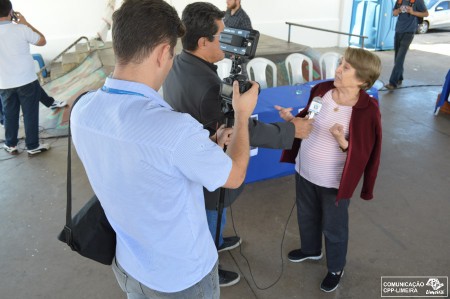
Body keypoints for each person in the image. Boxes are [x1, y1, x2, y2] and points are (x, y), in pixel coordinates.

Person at [70, 0, 259, 298]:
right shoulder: (175, 130)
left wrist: (206, 145)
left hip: (129, 266)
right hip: (182, 278)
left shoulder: (82, 110)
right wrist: (243, 115)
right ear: (162, 53)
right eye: (172, 53)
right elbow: (234, 176)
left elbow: (139, 158)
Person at [163, 1, 313, 288]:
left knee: (213, 215)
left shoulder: (181, 62)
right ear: (204, 41)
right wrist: (290, 130)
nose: (229, 39)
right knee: (207, 215)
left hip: (191, 158)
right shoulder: (206, 84)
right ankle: (209, 267)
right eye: (224, 35)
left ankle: (218, 239)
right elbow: (240, 129)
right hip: (206, 170)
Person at [277, 47, 382, 293]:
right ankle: (311, 250)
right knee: (306, 214)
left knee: (334, 228)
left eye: (346, 67)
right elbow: (308, 119)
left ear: (363, 80)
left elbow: (367, 151)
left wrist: (343, 142)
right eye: (340, 63)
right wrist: (291, 120)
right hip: (305, 170)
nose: (338, 69)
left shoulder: (367, 109)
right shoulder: (322, 91)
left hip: (334, 182)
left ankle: (335, 267)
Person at [0, 0, 54, 155]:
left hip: (4, 83)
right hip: (26, 81)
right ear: (11, 12)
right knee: (30, 113)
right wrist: (25, 22)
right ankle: (32, 146)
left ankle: (11, 144)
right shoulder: (21, 29)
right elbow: (42, 40)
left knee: (9, 114)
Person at [385, 0, 428, 90]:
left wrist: (412, 12)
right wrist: (399, 11)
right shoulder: (399, 1)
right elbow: (394, 13)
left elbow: (426, 14)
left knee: (400, 57)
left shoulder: (418, 1)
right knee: (397, 57)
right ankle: (399, 77)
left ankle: (392, 83)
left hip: (409, 32)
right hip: (398, 30)